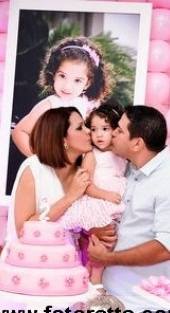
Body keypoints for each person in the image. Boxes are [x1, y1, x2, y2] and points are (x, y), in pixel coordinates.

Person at [87, 105, 170, 313]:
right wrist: (97, 230)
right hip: (110, 301)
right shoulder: (127, 168)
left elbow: (166, 248)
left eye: (119, 130)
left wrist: (109, 258)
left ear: (137, 144)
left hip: (145, 310)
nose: (112, 134)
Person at [58, 103, 127, 285]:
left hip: (112, 205)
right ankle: (94, 285)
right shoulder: (92, 154)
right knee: (100, 247)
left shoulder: (120, 154)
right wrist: (105, 195)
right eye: (94, 129)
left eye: (105, 129)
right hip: (97, 203)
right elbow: (86, 185)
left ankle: (90, 284)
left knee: (104, 247)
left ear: (115, 130)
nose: (99, 135)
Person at [5, 106, 93, 248]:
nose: (88, 131)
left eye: (85, 125)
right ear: (62, 140)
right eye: (79, 128)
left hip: (70, 259)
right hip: (30, 258)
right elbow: (23, 229)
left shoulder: (84, 171)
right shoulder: (34, 168)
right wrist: (69, 197)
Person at [12, 37, 112, 158]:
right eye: (62, 76)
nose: (67, 86)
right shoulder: (49, 105)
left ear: (87, 83)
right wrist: (39, 160)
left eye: (77, 80)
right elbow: (19, 132)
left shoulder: (85, 104)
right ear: (53, 74)